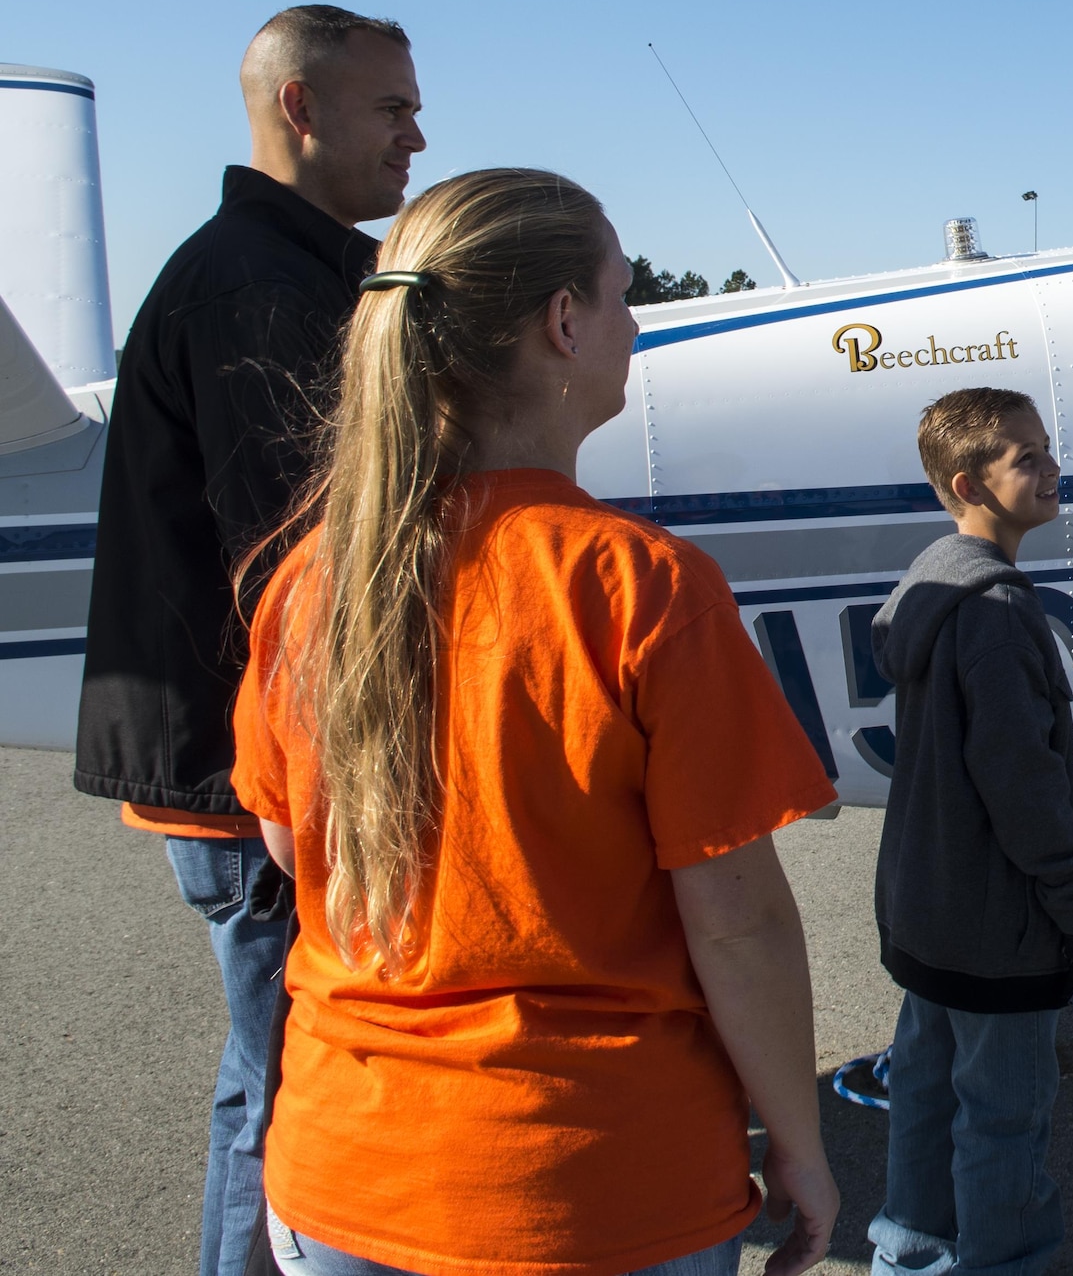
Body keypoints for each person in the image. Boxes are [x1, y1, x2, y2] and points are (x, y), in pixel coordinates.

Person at [230, 167, 841, 1276]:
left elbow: (289, 844)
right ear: (563, 322)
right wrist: (799, 1144)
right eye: (618, 294)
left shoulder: (307, 583)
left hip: (339, 1174)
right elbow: (738, 925)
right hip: (592, 1193)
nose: (634, 319)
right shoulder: (643, 585)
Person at [71, 4, 424, 1276]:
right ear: (300, 109)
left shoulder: (297, 268)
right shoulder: (260, 289)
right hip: (255, 783)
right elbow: (305, 564)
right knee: (283, 1079)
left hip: (239, 765)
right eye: (391, 107)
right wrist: (335, 780)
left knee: (263, 1065)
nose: (417, 134)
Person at [867, 388, 1073, 1276]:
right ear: (969, 483)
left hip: (926, 911)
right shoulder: (1000, 614)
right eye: (1026, 459)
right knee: (1004, 1116)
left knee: (927, 1094)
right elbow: (1025, 785)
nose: (1050, 469)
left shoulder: (933, 584)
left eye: (1047, 450)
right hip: (998, 928)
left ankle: (911, 1251)